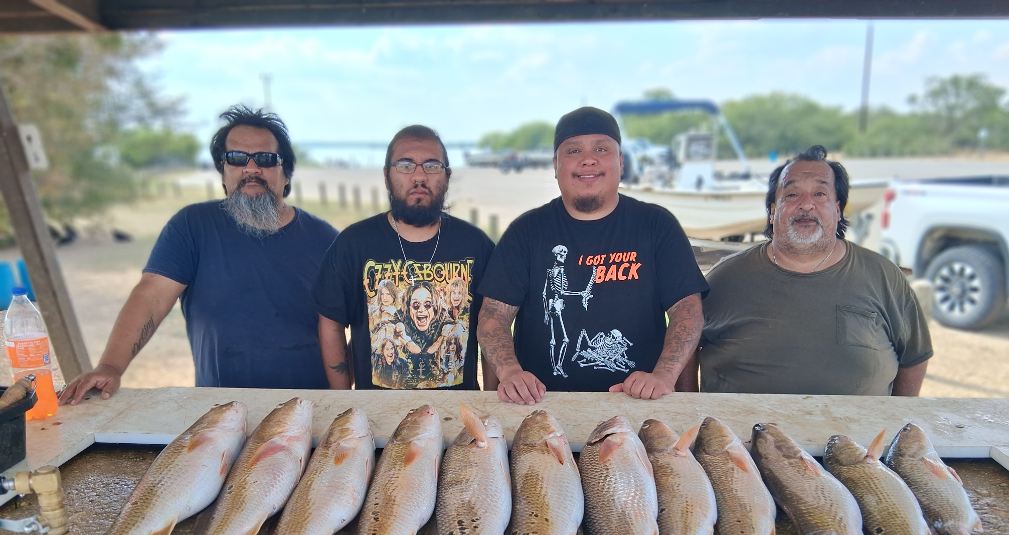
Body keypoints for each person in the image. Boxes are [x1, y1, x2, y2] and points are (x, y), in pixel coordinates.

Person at [60, 106, 338, 403]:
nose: (251, 169)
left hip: (309, 408)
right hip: (219, 410)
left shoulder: (327, 240)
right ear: (223, 172)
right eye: (237, 158)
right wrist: (111, 366)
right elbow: (152, 296)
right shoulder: (192, 226)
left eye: (266, 159)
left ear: (287, 174)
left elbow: (358, 324)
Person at [477, 106, 707, 404]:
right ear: (556, 165)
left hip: (638, 406)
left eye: (601, 148)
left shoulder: (656, 225)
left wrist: (663, 376)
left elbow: (687, 310)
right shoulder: (526, 231)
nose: (588, 159)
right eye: (573, 150)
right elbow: (493, 314)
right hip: (541, 408)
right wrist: (510, 373)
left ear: (621, 162)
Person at [683, 145, 932, 396]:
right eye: (791, 195)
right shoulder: (724, 279)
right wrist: (691, 410)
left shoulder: (884, 277)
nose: (806, 205)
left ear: (837, 209)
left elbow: (914, 357)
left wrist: (898, 417)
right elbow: (684, 346)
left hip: (859, 435)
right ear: (772, 211)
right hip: (744, 435)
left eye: (820, 194)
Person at [313, 125, 493, 390]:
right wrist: (342, 397)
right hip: (375, 418)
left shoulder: (476, 245)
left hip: (458, 417)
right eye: (406, 165)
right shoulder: (354, 243)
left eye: (432, 165)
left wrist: (488, 401)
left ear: (446, 176)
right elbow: (330, 322)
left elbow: (492, 326)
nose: (419, 176)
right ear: (387, 176)